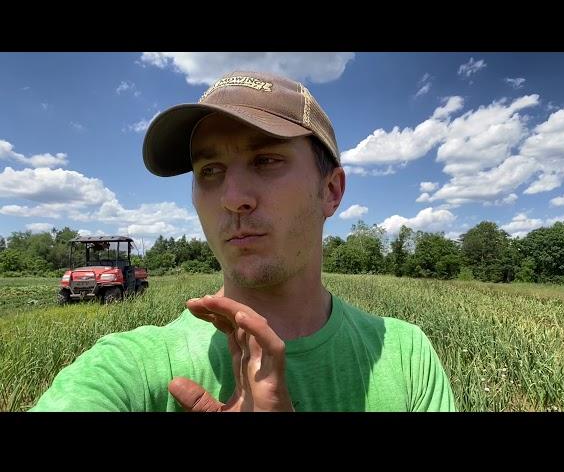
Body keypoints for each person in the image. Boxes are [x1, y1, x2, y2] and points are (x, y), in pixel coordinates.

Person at [30, 70, 456, 412]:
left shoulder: (405, 356)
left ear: (331, 191)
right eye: (209, 171)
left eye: (266, 160)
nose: (233, 199)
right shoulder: (129, 367)